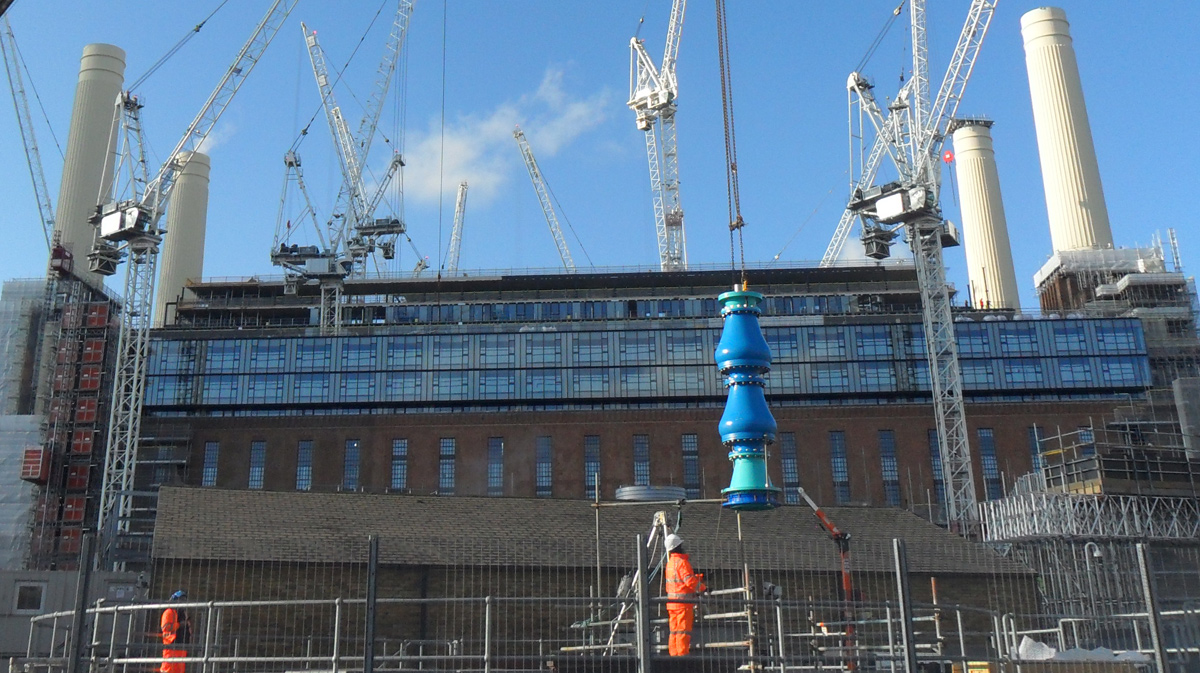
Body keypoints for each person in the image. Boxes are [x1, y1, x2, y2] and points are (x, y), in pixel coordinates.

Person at [664, 534, 707, 656]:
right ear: (678, 546)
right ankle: (682, 655)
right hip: (683, 604)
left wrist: (698, 578)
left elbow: (679, 580)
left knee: (674, 631)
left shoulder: (670, 564)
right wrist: (703, 588)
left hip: (672, 604)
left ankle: (674, 655)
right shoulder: (682, 563)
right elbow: (689, 581)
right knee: (683, 631)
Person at [161, 589, 192, 673]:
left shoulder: (183, 614)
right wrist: (179, 625)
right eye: (180, 599)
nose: (182, 602)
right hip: (171, 645)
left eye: (184, 600)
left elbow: (189, 629)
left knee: (179, 670)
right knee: (168, 669)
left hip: (182, 646)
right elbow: (165, 627)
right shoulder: (169, 612)